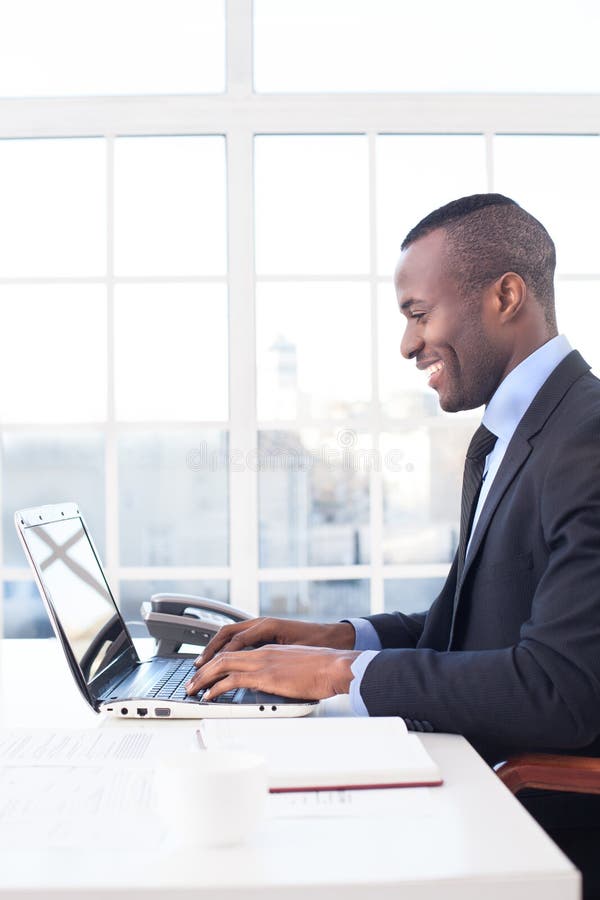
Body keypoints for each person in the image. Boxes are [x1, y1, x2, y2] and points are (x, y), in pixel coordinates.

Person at [186, 192, 600, 756]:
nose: (408, 344)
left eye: (420, 315)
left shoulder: (586, 439)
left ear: (506, 296)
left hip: (533, 811)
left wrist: (337, 673)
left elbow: (561, 691)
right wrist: (335, 638)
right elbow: (476, 627)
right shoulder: (508, 438)